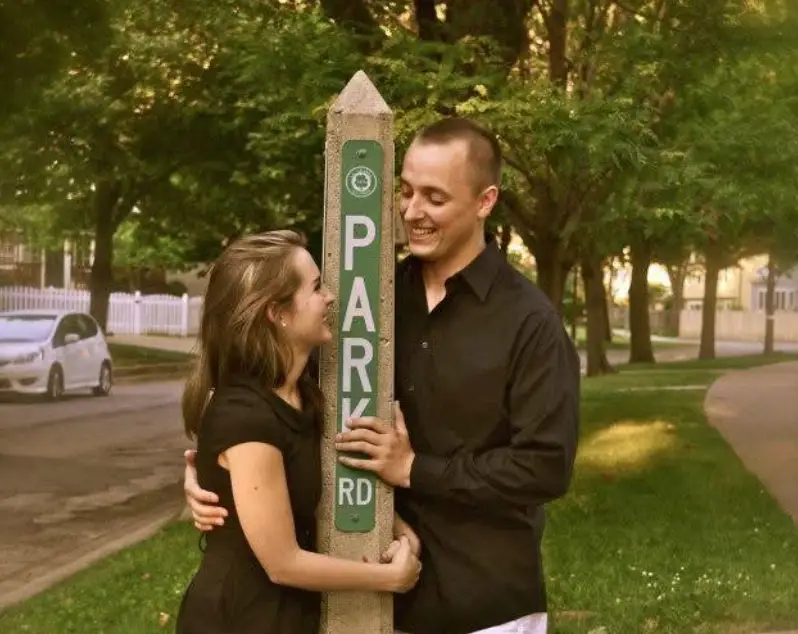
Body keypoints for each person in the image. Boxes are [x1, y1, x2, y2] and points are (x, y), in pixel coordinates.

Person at [184, 118, 580, 634]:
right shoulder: (365, 303)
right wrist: (215, 480)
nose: (412, 211)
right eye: (407, 190)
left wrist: (415, 468)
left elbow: (545, 467)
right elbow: (283, 410)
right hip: (375, 608)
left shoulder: (530, 322)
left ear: (485, 202)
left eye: (435, 198)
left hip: (486, 605)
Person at [175, 230, 422, 634]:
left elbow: (321, 479)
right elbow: (282, 562)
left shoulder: (305, 396)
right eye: (316, 287)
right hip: (239, 618)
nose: (329, 298)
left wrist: (401, 533)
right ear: (278, 313)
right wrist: (389, 580)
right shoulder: (245, 416)